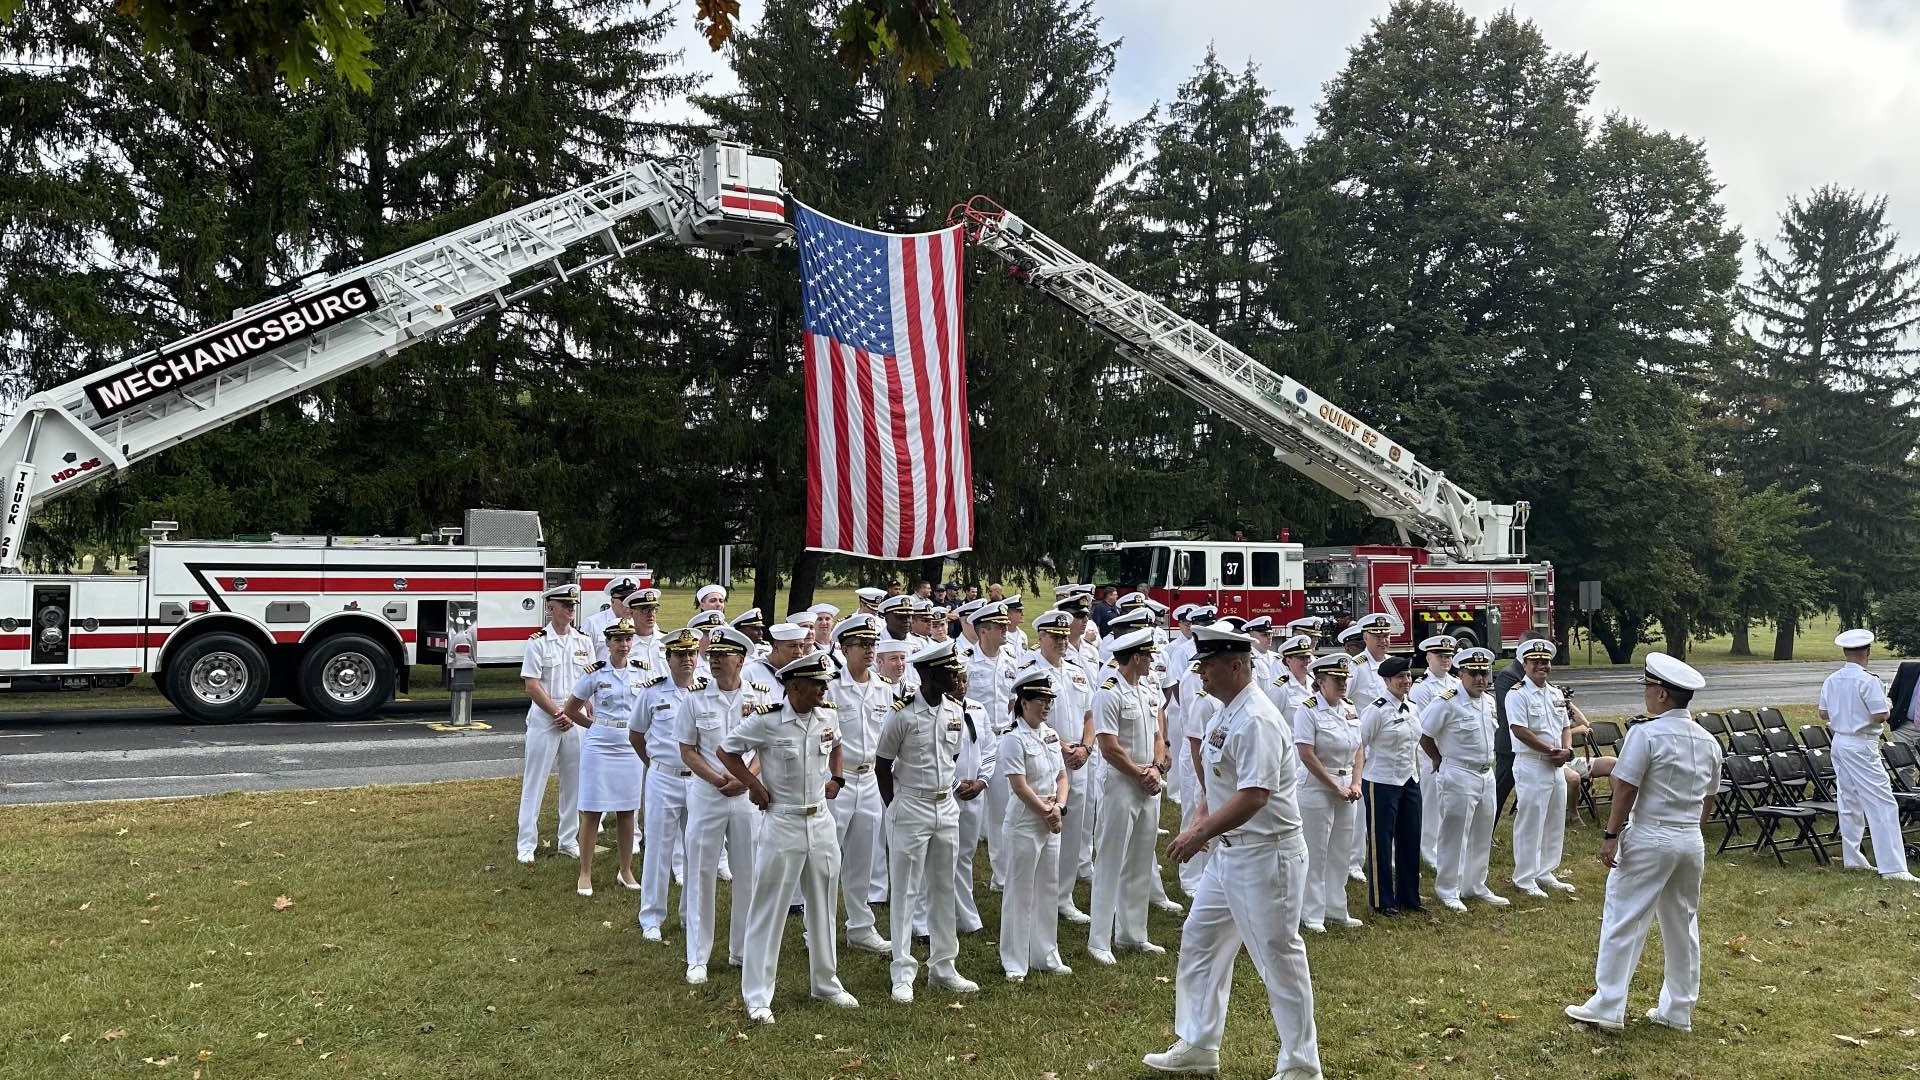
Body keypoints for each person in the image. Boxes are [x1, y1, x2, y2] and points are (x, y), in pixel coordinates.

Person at [1145, 623, 1323, 1080]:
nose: (1199, 673)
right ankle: (1199, 1044)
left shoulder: (1257, 718)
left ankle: (1301, 1066)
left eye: (1207, 665)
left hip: (1268, 856)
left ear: (1236, 665)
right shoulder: (1225, 711)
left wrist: (1197, 834)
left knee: (1279, 959)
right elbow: (1219, 781)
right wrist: (1204, 824)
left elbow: (1254, 796)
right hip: (1230, 855)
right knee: (1200, 940)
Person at [1565, 653, 1719, 1034]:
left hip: (1652, 833)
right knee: (1682, 923)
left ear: (1663, 695)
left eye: (1649, 688)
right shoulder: (1708, 740)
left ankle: (1608, 1005)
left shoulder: (1646, 734)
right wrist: (1691, 831)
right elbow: (1709, 800)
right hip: (1688, 838)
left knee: (1624, 917)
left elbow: (1626, 787)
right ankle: (1678, 1009)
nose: (1646, 694)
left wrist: (1611, 834)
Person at [718, 650, 859, 1023]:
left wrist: (837, 778)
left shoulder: (826, 713)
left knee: (825, 903)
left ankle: (825, 982)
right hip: (782, 822)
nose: (823, 689)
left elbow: (837, 745)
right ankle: (758, 995)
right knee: (770, 907)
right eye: (816, 684)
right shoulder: (768, 721)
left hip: (820, 819)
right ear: (794, 686)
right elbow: (727, 750)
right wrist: (753, 785)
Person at [875, 639, 982, 1002]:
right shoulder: (903, 714)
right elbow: (882, 764)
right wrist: (893, 808)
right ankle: (902, 970)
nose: (955, 677)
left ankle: (944, 966)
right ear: (928, 674)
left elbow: (950, 756)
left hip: (945, 806)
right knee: (905, 890)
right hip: (911, 807)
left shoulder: (954, 710)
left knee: (943, 887)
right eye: (948, 671)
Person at [676, 626, 766, 985]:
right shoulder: (695, 698)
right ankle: (697, 955)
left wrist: (745, 779)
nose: (712, 662)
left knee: (747, 872)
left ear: (740, 660)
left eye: (721, 656)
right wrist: (717, 778)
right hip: (707, 794)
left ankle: (740, 949)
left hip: (745, 798)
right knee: (700, 872)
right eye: (710, 656)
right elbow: (686, 749)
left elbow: (764, 748)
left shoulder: (758, 697)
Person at [1088, 626, 1168, 965]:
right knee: (1111, 860)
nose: (1152, 661)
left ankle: (1133, 933)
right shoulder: (1110, 691)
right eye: (1148, 655)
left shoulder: (1147, 689)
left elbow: (1159, 735)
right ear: (1136, 657)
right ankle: (1099, 939)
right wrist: (1141, 773)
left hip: (1149, 782)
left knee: (1140, 858)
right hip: (1122, 784)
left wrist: (1158, 768)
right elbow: (1108, 747)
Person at [1818, 630, 1918, 881]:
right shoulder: (1868, 680)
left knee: (1849, 800)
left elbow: (1823, 713)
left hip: (1840, 741)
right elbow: (1879, 716)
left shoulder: (1832, 679)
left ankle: (1853, 858)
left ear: (1845, 653)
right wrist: (1886, 704)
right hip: (1861, 743)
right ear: (1867, 652)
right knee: (1882, 803)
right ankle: (1893, 867)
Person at [1418, 646, 1510, 912]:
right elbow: (1424, 733)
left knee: (1482, 832)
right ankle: (1447, 887)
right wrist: (1438, 759)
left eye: (1484, 672)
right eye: (1474, 673)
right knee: (1454, 834)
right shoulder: (1446, 700)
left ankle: (1475, 884)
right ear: (1461, 673)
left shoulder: (1488, 701)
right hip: (1458, 772)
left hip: (1485, 772)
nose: (1480, 678)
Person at [561, 617, 648, 896]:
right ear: (608, 643)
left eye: (628, 639)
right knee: (592, 809)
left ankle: (625, 869)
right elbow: (571, 708)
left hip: (629, 745)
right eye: (618, 640)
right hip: (600, 745)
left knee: (627, 810)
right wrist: (594, 726)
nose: (624, 645)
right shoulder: (595, 672)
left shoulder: (641, 672)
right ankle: (585, 872)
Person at [998, 667, 1073, 981]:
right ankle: (1015, 961)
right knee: (1020, 890)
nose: (1046, 705)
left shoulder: (1051, 735)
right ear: (1023, 702)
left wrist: (1060, 807)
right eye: (1040, 699)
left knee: (1047, 887)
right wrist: (1048, 811)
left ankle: (1045, 953)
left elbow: (1061, 776)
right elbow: (1019, 785)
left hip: (1049, 817)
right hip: (1026, 821)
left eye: (1049, 699)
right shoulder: (1013, 738)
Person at [1023, 609, 1096, 925]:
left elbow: (1091, 713)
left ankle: (1063, 896)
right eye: (1056, 636)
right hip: (1047, 759)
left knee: (1075, 828)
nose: (1063, 641)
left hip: (1079, 761)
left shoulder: (1078, 669)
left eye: (1066, 636)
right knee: (1044, 829)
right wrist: (1065, 747)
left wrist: (1086, 747)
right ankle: (1039, 894)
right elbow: (1027, 717)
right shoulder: (1029, 670)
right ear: (1041, 637)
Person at [826, 614, 893, 953]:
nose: (869, 650)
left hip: (870, 780)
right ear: (844, 648)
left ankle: (860, 926)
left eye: (872, 644)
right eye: (862, 645)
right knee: (827, 858)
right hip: (838, 780)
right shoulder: (831, 687)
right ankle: (818, 927)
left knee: (863, 858)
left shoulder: (883, 688)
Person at [633, 626, 702, 941]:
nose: (687, 660)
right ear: (668, 657)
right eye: (681, 655)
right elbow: (636, 735)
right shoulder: (652, 692)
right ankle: (651, 917)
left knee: (695, 850)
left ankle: (690, 914)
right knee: (658, 849)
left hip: (699, 780)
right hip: (663, 777)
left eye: (692, 653)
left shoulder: (705, 691)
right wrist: (654, 764)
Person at [516, 584, 594, 865]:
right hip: (545, 717)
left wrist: (581, 710)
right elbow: (532, 686)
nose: (571, 608)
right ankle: (526, 844)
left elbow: (589, 682)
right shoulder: (537, 641)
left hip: (574, 720)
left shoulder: (583, 642)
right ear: (551, 608)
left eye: (573, 604)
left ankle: (568, 839)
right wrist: (558, 713)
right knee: (534, 782)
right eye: (565, 604)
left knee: (574, 783)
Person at [1293, 653, 1364, 932]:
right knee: (1315, 851)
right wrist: (1334, 785)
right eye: (1337, 679)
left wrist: (1356, 783)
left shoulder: (1349, 708)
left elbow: (1359, 748)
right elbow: (1306, 752)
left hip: (1348, 787)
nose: (1343, 683)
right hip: (1317, 787)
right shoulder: (1307, 709)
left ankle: (1336, 907)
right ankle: (1310, 912)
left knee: (1341, 849)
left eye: (1345, 678)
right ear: (1320, 682)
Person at [1505, 637, 1577, 899]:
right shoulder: (1517, 694)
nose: (1541, 666)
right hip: (1532, 763)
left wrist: (1566, 750)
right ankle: (1524, 877)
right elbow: (1519, 730)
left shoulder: (1556, 693)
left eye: (1545, 661)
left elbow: (1565, 727)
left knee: (1554, 818)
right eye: (1535, 661)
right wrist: (1550, 751)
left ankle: (1546, 871)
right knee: (1531, 820)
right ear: (1524, 664)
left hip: (1556, 764)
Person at [1358, 655, 1422, 916]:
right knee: (1381, 842)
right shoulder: (1376, 710)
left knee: (1410, 838)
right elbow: (1359, 744)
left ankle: (1409, 896)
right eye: (1399, 678)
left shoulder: (1413, 708)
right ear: (1386, 681)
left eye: (1407, 676)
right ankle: (1382, 899)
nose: (1405, 681)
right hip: (1381, 781)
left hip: (1409, 780)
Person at [967, 601, 1021, 892]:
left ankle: (1001, 876)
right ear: (983, 630)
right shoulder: (966, 660)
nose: (1006, 629)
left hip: (1002, 737)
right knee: (970, 810)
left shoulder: (1011, 657)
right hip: (974, 740)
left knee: (1002, 808)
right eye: (999, 626)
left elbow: (1012, 701)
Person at [1408, 636, 1459, 867]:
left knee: (1450, 803)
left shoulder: (1457, 683)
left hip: (1454, 751)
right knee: (1431, 803)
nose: (1445, 660)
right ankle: (1429, 850)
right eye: (1440, 656)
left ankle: (1448, 847)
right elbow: (1423, 725)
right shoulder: (1421, 687)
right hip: (1431, 752)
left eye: (1448, 656)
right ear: (1428, 658)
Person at [1490, 649, 1526, 825]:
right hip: (1509, 743)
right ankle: (1487, 830)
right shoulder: (1509, 674)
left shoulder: (1526, 670)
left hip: (1525, 746)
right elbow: (1507, 713)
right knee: (1499, 791)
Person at [582, 575, 642, 664]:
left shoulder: (641, 622)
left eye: (631, 600)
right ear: (612, 600)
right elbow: (583, 658)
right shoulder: (593, 623)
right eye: (624, 599)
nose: (628, 604)